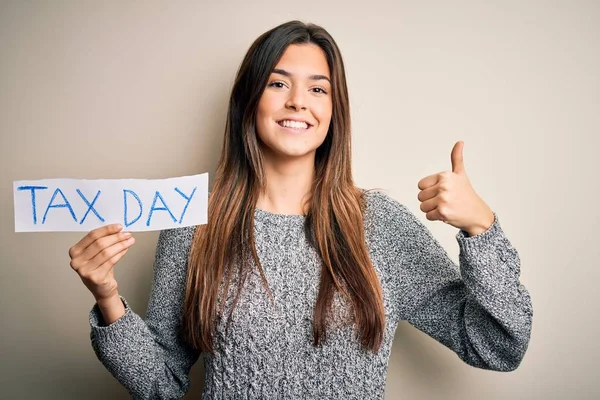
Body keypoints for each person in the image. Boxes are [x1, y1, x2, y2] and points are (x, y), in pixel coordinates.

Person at [68, 20, 533, 399]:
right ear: (249, 102)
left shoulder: (379, 225)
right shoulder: (195, 225)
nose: (297, 102)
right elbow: (162, 382)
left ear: (334, 111)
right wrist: (107, 297)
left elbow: (498, 345)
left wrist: (481, 227)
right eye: (277, 83)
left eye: (318, 89)